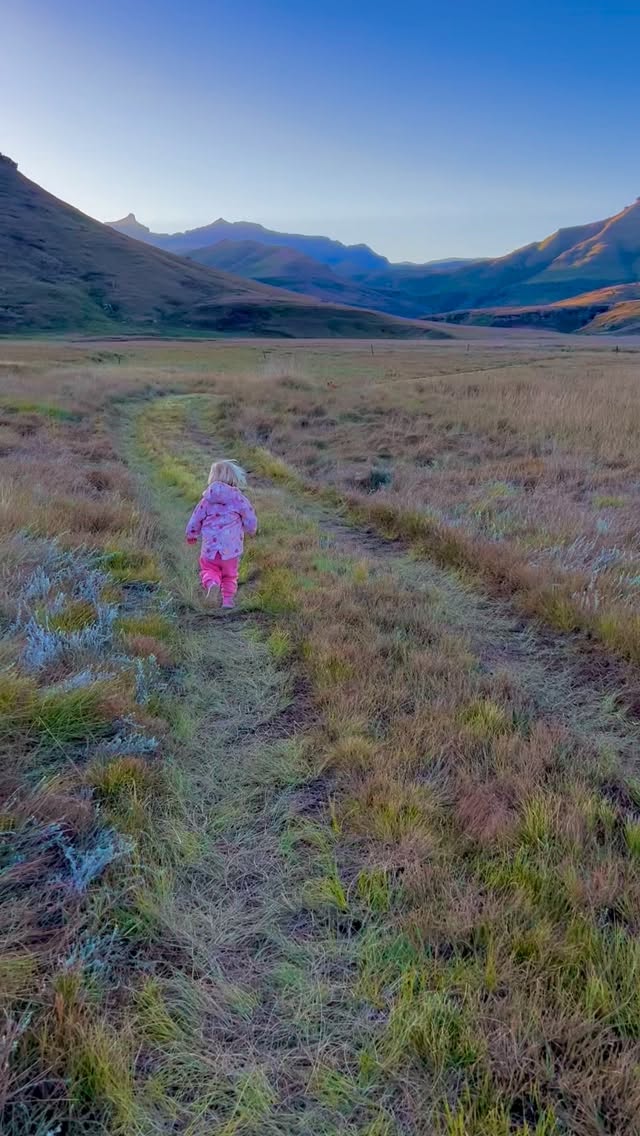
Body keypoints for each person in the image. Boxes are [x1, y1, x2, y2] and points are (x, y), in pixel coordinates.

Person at [185, 459, 257, 608]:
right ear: (234, 478)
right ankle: (228, 602)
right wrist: (251, 530)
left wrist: (191, 534)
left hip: (210, 548)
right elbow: (249, 517)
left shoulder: (206, 500)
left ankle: (212, 584)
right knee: (230, 575)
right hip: (231, 549)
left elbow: (196, 518)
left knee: (209, 569)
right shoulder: (238, 499)